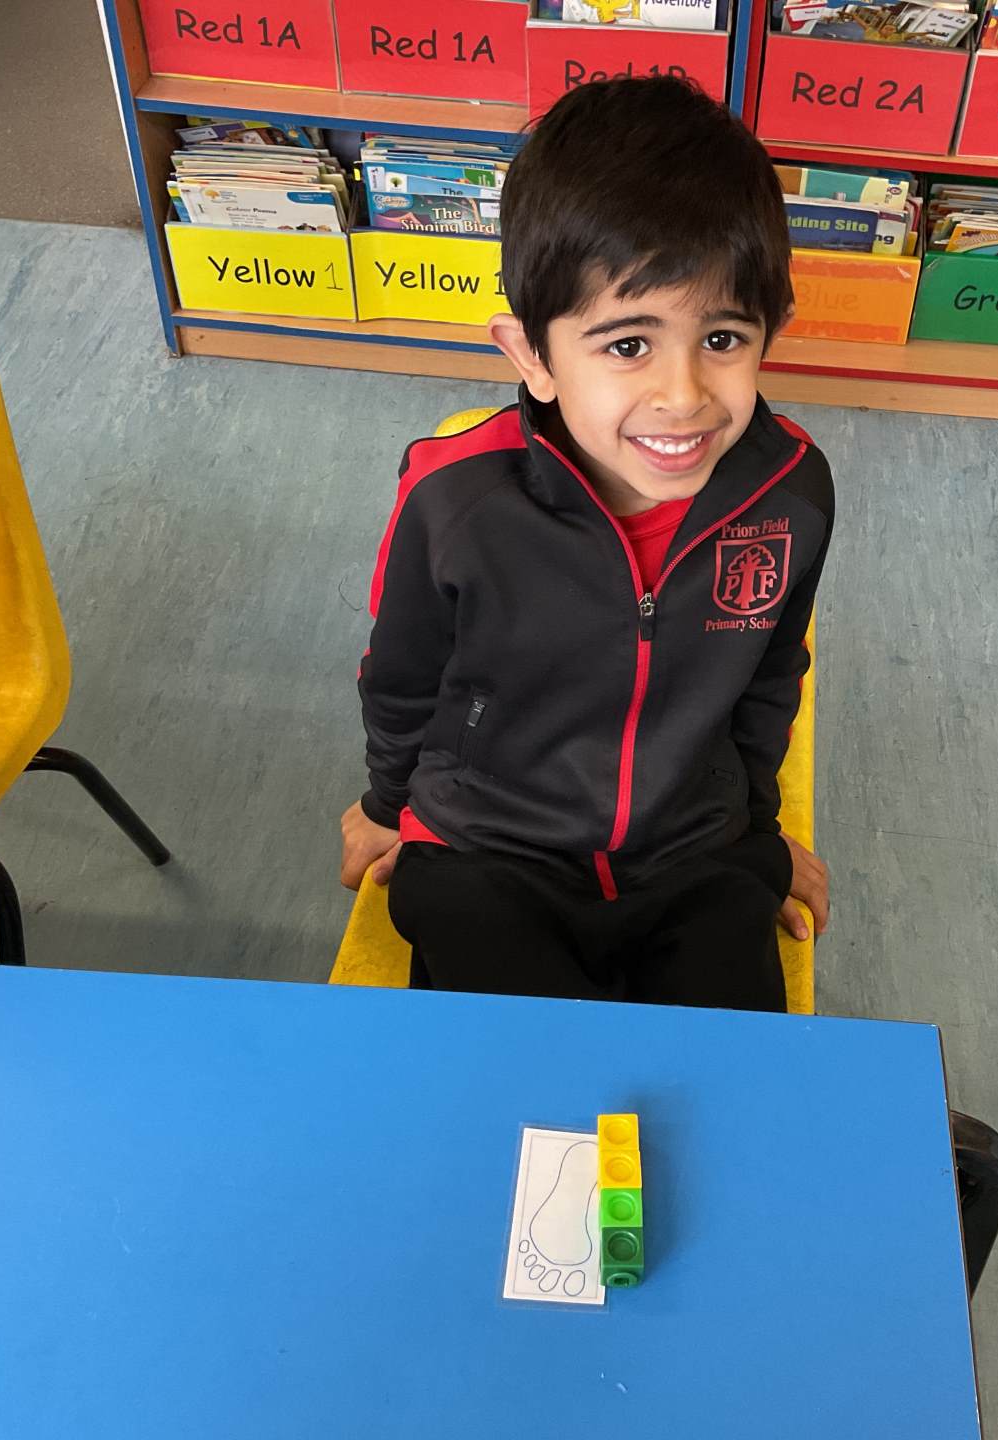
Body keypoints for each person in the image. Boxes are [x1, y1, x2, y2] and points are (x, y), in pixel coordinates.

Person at [339, 75, 833, 1010]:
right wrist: (383, 805)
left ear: (773, 330)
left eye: (724, 338)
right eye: (628, 345)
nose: (684, 396)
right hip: (490, 850)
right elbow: (400, 678)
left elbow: (772, 678)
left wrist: (760, 831)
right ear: (532, 354)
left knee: (723, 1070)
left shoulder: (793, 492)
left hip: (695, 852)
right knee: (522, 1066)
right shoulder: (453, 500)